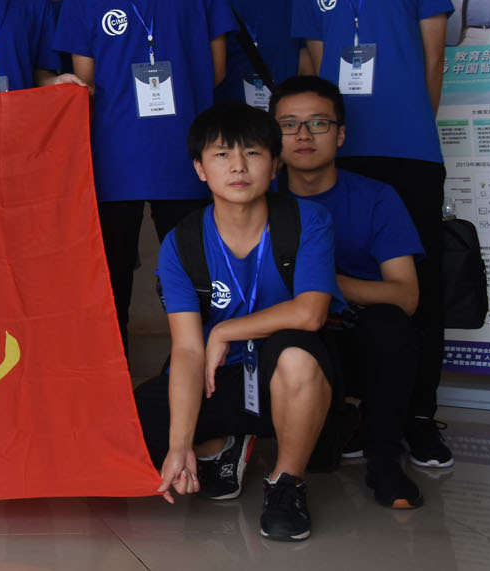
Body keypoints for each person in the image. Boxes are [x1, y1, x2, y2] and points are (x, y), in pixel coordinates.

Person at [291, 0, 454, 468]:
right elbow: (312, 70)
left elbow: (433, 60)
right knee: (335, 281)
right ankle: (361, 409)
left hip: (409, 149)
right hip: (338, 154)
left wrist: (413, 125)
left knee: (419, 285)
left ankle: (419, 415)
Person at [133, 102, 339, 543]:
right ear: (200, 168)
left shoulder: (306, 221)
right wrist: (179, 444)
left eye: (253, 153)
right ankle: (219, 446)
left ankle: (286, 484)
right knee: (130, 425)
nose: (238, 166)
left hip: (287, 381)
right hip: (219, 378)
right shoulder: (183, 242)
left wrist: (226, 330)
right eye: (222, 154)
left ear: (275, 164)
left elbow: (311, 312)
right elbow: (188, 349)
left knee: (296, 354)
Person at [55, 0, 237, 347]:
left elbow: (217, 70)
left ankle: (203, 374)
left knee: (199, 279)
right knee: (111, 281)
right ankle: (112, 383)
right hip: (114, 161)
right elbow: (85, 86)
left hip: (188, 156)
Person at [272, 75, 426, 509]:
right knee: (320, 460)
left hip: (359, 332)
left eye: (318, 123)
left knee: (393, 328)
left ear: (340, 134)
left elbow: (406, 295)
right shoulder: (260, 198)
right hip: (295, 339)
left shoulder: (377, 198)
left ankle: (383, 458)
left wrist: (323, 283)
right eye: (289, 124)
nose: (303, 135)